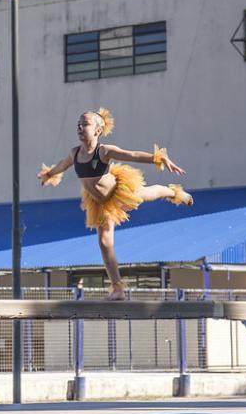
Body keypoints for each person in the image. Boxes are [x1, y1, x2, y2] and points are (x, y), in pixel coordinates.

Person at [38, 108, 193, 300]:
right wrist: (49, 174)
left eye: (85, 124)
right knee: (104, 242)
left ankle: (173, 192)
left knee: (148, 193)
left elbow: (133, 155)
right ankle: (117, 288)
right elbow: (61, 165)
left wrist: (158, 158)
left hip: (119, 191)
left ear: (97, 130)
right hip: (99, 202)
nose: (79, 127)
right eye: (78, 124)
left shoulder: (103, 151)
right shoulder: (74, 153)